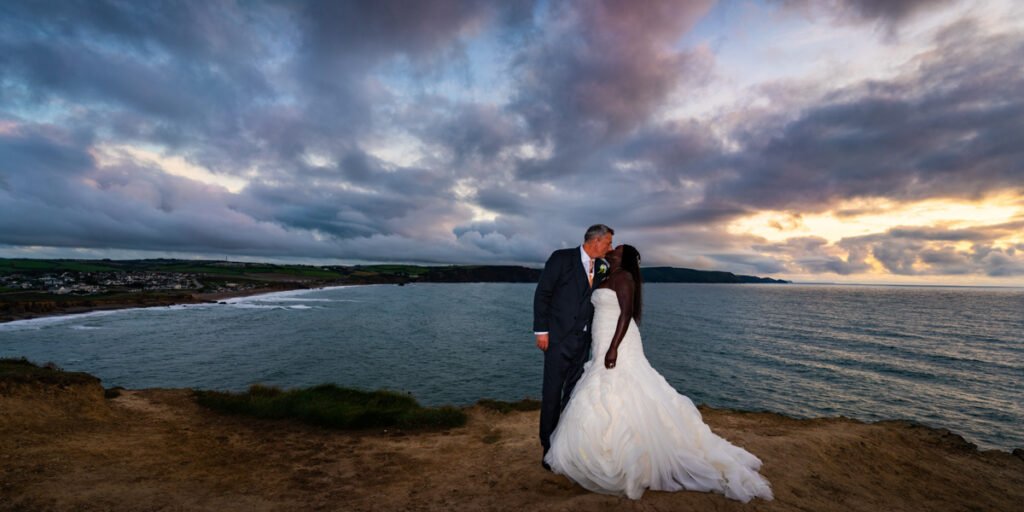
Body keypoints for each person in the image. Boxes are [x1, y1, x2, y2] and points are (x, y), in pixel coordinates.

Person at [544, 245, 774, 502]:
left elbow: (626, 314)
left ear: (624, 257)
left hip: (617, 340)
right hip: (600, 337)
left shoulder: (624, 278)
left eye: (616, 249)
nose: (611, 250)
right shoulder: (606, 274)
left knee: (624, 385)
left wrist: (612, 349)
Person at [533, 224, 614, 470]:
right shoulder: (561, 258)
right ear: (596, 241)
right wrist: (541, 331)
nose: (609, 248)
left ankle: (565, 444)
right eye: (608, 242)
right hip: (557, 339)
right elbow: (542, 294)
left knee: (572, 393)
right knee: (552, 394)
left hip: (584, 341)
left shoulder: (603, 267)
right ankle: (548, 447)